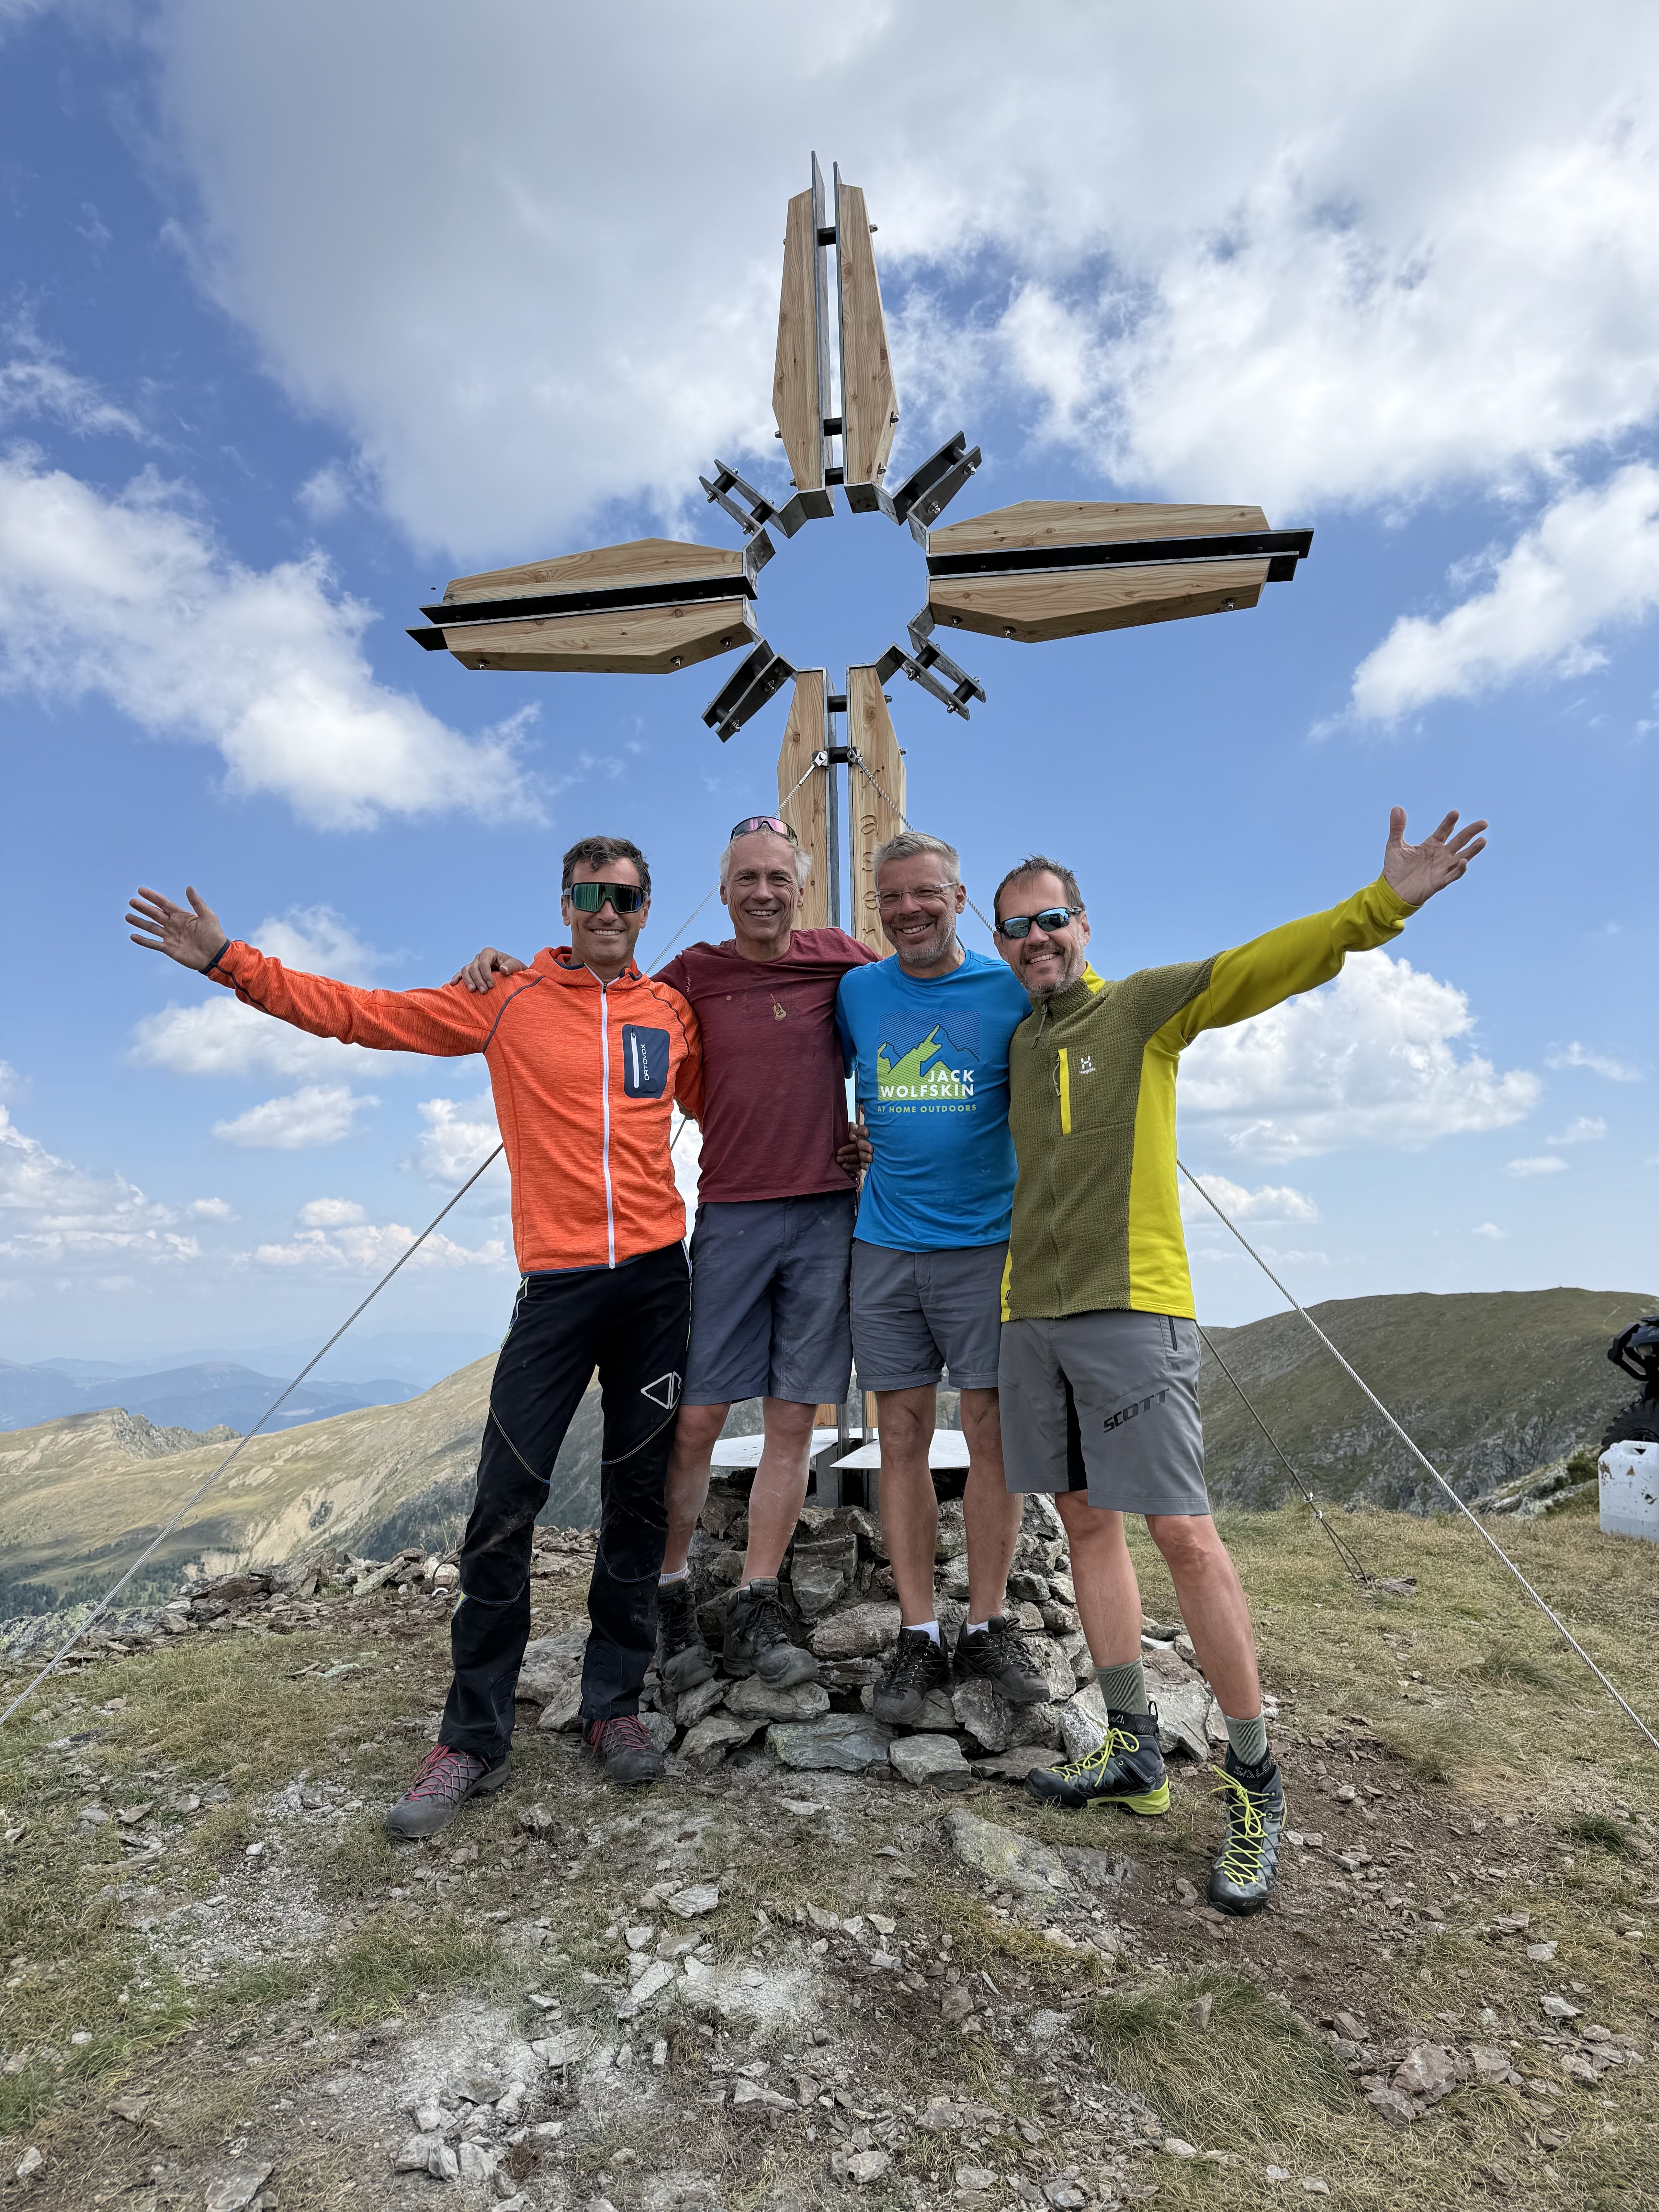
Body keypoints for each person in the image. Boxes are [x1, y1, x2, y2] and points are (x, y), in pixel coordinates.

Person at [125, 837, 703, 1826]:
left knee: (639, 1499)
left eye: (624, 896)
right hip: (557, 1285)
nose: (606, 911)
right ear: (564, 905)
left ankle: (614, 1708)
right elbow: (365, 1016)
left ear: (648, 907)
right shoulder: (507, 996)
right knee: (503, 1506)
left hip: (658, 1281)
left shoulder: (672, 1012)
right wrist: (230, 962)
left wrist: (847, 1143)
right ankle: (473, 1740)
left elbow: (735, 1104)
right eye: (588, 894)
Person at [989, 806, 1488, 1915]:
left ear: (1084, 924)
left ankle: (1256, 1779)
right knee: (1084, 1525)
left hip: (1134, 1308)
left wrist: (1381, 906)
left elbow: (1258, 967)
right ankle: (1132, 1752)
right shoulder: (1018, 1040)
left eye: (1052, 919)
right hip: (1031, 1316)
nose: (1037, 939)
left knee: (1185, 1536)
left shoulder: (1140, 1008)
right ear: (1002, 944)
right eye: (1016, 928)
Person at [457, 816, 876, 1696]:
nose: (763, 892)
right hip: (730, 1215)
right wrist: (515, 967)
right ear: (720, 892)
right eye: (746, 878)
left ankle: (758, 1597)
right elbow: (608, 992)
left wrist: (870, 1130)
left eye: (778, 877)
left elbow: (910, 1008)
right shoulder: (689, 978)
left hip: (826, 1212)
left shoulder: (844, 961)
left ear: (800, 887)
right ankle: (669, 1589)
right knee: (696, 1419)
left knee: (794, 1419)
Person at [834, 830, 1048, 1724]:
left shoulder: (1010, 989)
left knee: (992, 1437)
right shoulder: (857, 991)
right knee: (901, 1438)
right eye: (891, 898)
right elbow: (829, 1083)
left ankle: (988, 1623)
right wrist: (847, 1145)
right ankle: (919, 1633)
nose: (908, 911)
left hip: (989, 1246)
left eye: (926, 894)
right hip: (885, 1246)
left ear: (959, 899)